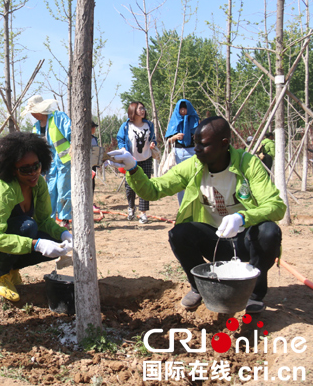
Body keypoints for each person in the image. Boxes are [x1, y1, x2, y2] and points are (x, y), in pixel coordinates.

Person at [109, 117, 285, 314]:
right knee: (180, 234)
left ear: (224, 144)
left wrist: (243, 217)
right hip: (214, 241)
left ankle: (253, 294)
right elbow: (153, 190)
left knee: (269, 232)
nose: (197, 149)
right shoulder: (193, 166)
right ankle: (200, 287)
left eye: (203, 144)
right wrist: (133, 168)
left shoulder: (248, 165)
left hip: (247, 240)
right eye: (195, 143)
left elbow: (276, 206)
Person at [0, 132, 72, 302]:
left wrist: (63, 234)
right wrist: (37, 244)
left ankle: (10, 269)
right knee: (28, 227)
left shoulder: (38, 184)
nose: (33, 173)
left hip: (10, 233)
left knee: (52, 240)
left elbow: (44, 220)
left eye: (36, 166)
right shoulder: (3, 191)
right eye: (25, 169)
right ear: (12, 169)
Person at [22, 95, 72, 228]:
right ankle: (49, 218)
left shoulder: (58, 118)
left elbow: (72, 133)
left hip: (64, 160)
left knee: (63, 189)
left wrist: (74, 148)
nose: (32, 114)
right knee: (49, 190)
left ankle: (64, 219)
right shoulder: (35, 127)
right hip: (49, 163)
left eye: (33, 111)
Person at [116, 101, 157, 224]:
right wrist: (123, 148)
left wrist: (153, 143)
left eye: (143, 108)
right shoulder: (126, 126)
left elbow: (152, 138)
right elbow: (120, 139)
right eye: (140, 108)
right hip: (131, 160)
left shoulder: (149, 125)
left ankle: (143, 213)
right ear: (133, 110)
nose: (143, 110)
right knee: (130, 186)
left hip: (146, 158)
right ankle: (131, 207)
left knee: (145, 185)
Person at [165, 99, 200, 204]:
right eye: (181, 109)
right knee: (180, 180)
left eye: (185, 109)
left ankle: (193, 205)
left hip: (192, 152)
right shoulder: (174, 120)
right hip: (178, 152)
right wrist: (175, 137)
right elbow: (168, 141)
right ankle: (182, 206)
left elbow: (201, 137)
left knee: (193, 180)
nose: (183, 111)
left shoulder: (194, 119)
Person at [91, 121, 101, 210]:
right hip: (86, 166)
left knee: (92, 184)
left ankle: (91, 202)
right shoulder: (84, 139)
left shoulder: (94, 139)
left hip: (93, 165)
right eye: (93, 127)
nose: (94, 129)